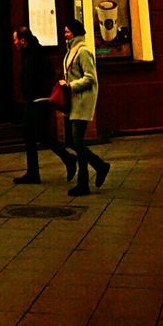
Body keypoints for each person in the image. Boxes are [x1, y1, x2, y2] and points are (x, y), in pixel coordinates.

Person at [12, 26, 76, 185]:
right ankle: (33, 173)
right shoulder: (28, 52)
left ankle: (68, 158)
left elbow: (45, 74)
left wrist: (39, 92)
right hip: (31, 100)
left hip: (39, 100)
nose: (14, 43)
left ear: (23, 40)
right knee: (29, 136)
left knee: (41, 134)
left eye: (15, 39)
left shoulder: (36, 53)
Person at [59, 19, 110, 196]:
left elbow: (90, 78)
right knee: (74, 142)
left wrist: (70, 85)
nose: (64, 34)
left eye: (67, 31)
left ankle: (83, 183)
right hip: (73, 102)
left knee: (77, 142)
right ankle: (100, 166)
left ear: (74, 32)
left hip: (82, 101)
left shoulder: (84, 51)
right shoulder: (70, 51)